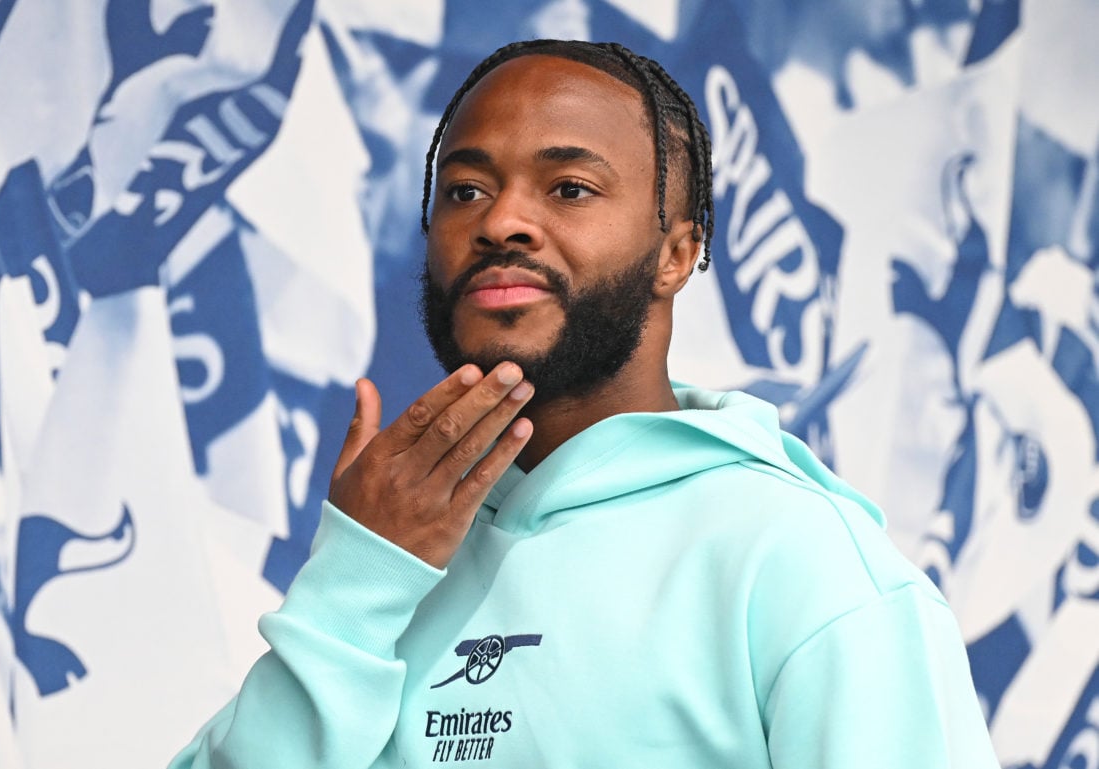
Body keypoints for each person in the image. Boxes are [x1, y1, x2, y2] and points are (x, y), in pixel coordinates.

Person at [170, 39, 1000, 768]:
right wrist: (355, 580)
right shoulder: (391, 550)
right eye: (464, 190)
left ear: (678, 254)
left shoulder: (803, 565)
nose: (502, 221)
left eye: (568, 187)